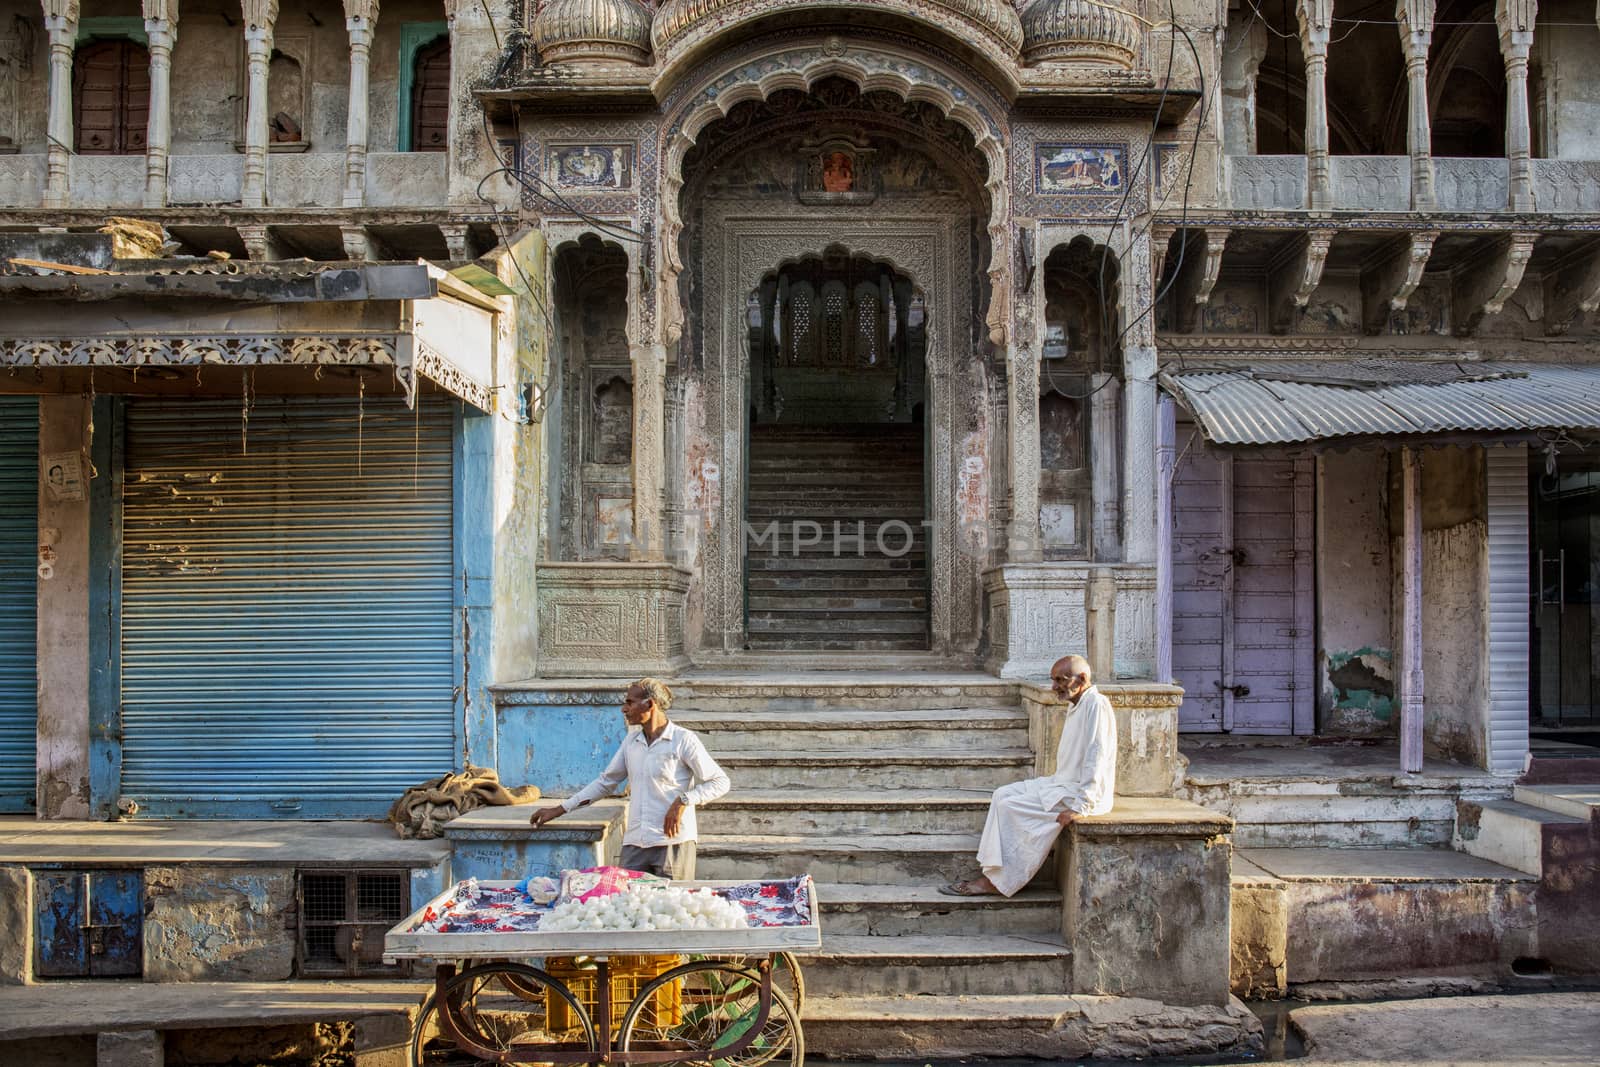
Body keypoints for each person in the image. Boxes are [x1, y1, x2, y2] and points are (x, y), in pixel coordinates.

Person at [941, 654, 1116, 897]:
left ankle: (999, 882)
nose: (1054, 687)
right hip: (1063, 783)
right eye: (1053, 680)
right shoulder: (1077, 703)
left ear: (1082, 679)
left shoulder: (1096, 704)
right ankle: (992, 871)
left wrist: (1081, 806)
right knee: (1002, 794)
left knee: (1012, 806)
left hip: (1082, 796)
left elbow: (1096, 757)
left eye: (1060, 680)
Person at [528, 678, 730, 879]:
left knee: (672, 907)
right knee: (627, 904)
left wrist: (683, 800)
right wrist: (559, 809)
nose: (623, 709)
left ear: (649, 704)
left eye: (629, 702)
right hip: (636, 841)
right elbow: (606, 782)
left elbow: (720, 781)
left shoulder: (682, 740)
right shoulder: (632, 741)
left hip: (672, 842)